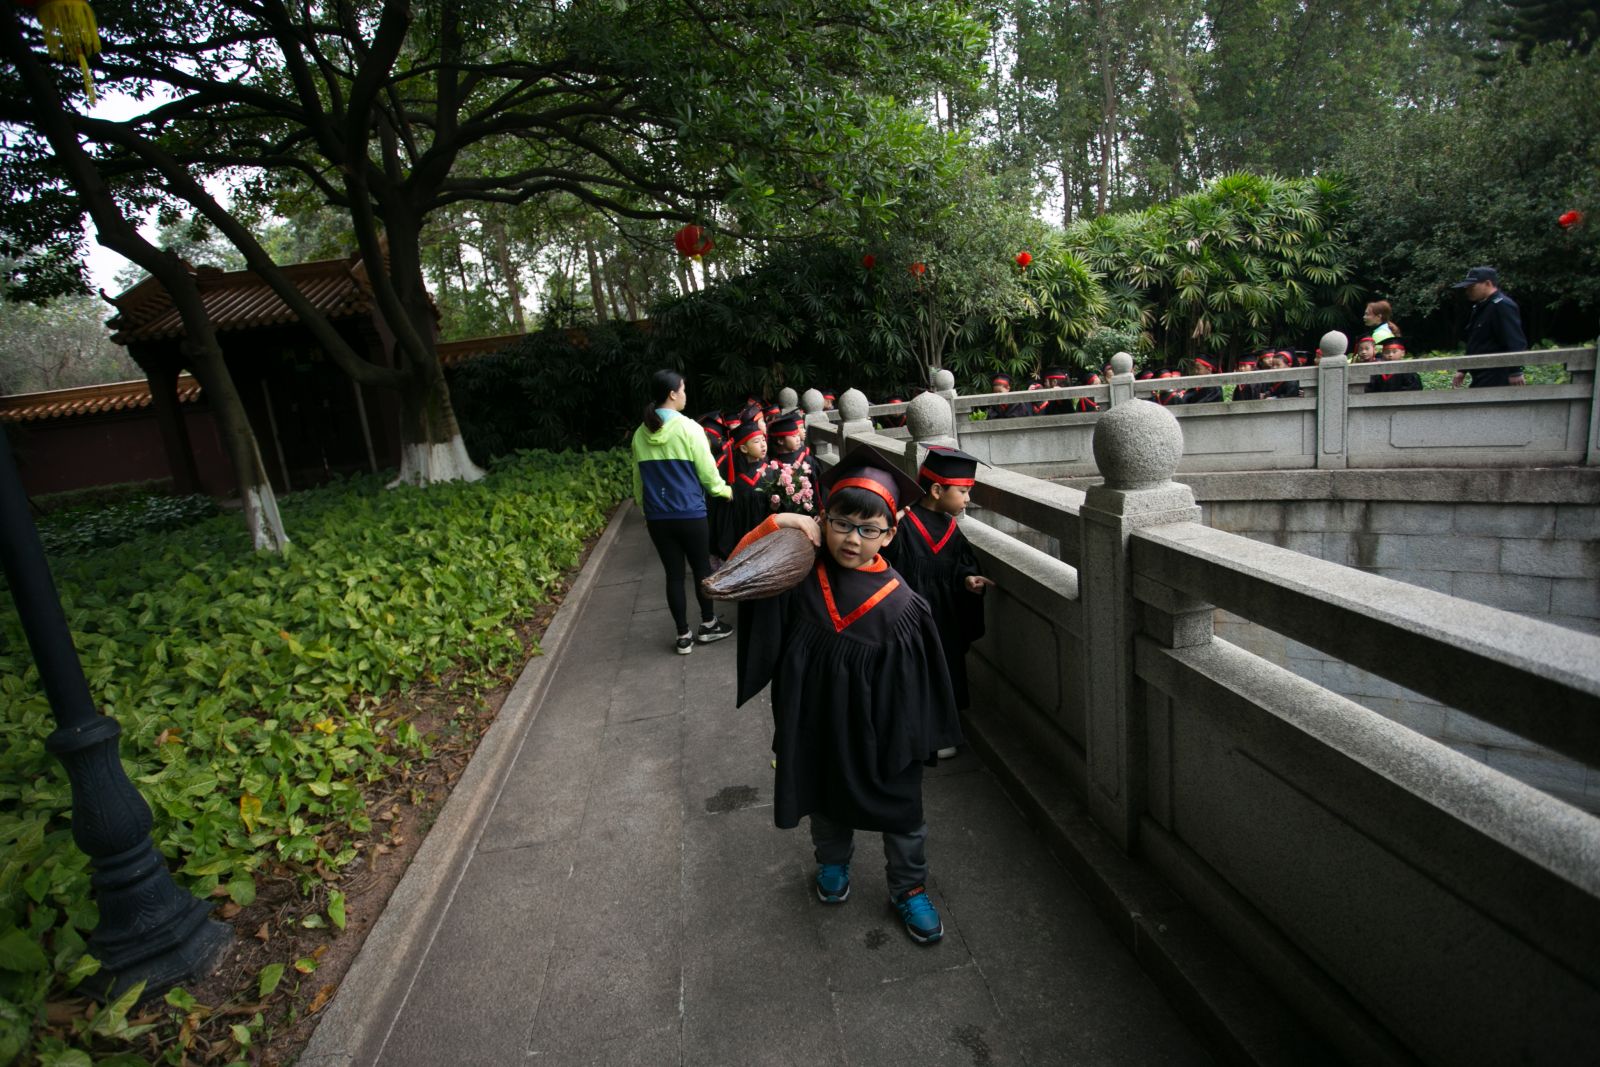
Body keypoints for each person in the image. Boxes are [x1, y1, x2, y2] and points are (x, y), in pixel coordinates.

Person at [730, 444, 964, 944]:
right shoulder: (799, 574)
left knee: (902, 812)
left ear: (890, 533)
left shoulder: (902, 607)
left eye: (868, 529)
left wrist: (907, 743)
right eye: (841, 523)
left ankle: (909, 887)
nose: (852, 539)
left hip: (882, 734)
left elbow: (917, 691)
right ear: (823, 519)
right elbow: (736, 573)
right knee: (824, 799)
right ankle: (832, 863)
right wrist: (779, 523)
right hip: (814, 723)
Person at [881, 446, 992, 721]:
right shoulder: (905, 524)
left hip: (945, 618)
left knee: (946, 669)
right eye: (963, 491)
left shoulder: (951, 529)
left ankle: (946, 726)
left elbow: (959, 566)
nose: (968, 499)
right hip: (910, 618)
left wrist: (967, 579)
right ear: (936, 490)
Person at [631, 370, 735, 654]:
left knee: (673, 576)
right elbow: (707, 473)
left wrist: (644, 509)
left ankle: (683, 636)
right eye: (683, 389)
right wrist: (724, 491)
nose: (685, 394)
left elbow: (638, 479)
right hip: (690, 514)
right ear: (672, 394)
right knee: (702, 569)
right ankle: (708, 625)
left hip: (657, 517)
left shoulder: (640, 433)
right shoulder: (690, 428)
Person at [1449, 266, 1527, 389]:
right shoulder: (1480, 307)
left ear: (1487, 284)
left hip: (1498, 372)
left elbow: (1514, 340)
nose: (1468, 290)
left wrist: (1515, 371)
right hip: (1481, 373)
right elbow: (1475, 342)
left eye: (1472, 286)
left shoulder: (1502, 305)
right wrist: (1463, 369)